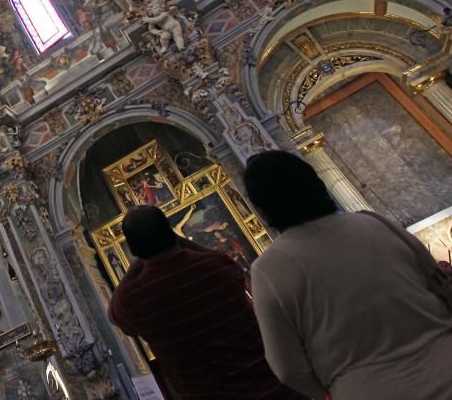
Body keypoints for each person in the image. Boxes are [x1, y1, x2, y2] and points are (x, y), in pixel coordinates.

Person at [244, 150, 452, 400]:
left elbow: (287, 368)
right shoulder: (374, 224)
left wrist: (337, 387)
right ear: (315, 182)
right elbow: (439, 284)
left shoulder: (269, 269)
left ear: (263, 208)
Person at [108, 205, 303, 400]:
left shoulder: (135, 300)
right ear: (170, 233)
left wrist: (139, 260)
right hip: (272, 388)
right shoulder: (215, 267)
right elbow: (227, 264)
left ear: (134, 249)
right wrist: (177, 240)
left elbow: (113, 314)